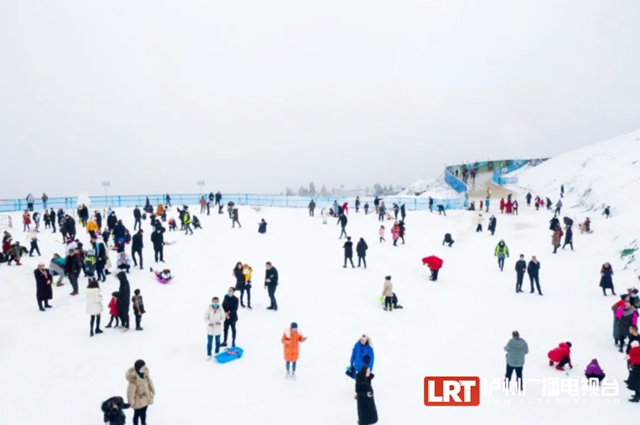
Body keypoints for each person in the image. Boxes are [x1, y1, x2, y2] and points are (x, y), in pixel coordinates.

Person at [126, 360, 155, 425]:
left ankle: (143, 423)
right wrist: (131, 402)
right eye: (143, 366)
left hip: (146, 398)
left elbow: (150, 383)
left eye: (144, 365)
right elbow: (130, 392)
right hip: (138, 400)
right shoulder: (134, 378)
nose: (144, 367)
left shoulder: (145, 374)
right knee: (137, 414)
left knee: (144, 412)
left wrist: (152, 391)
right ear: (139, 367)